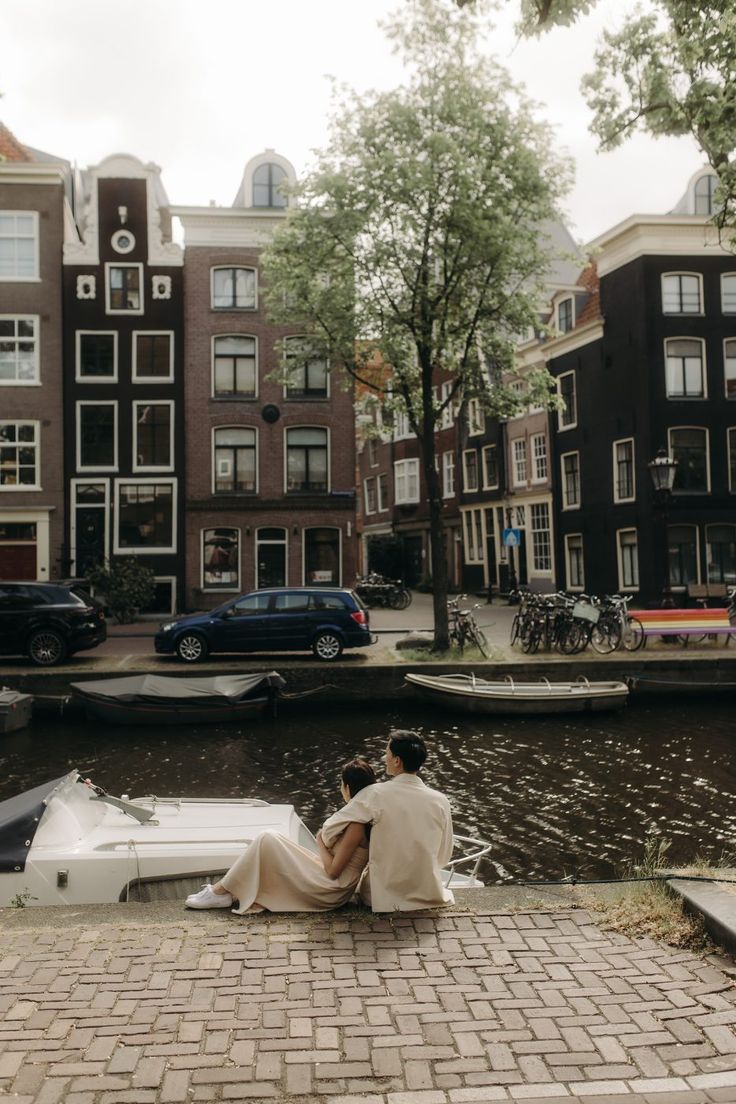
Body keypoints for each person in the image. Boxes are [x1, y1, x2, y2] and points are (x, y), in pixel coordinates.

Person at [184, 758, 376, 913]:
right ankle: (225, 890)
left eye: (342, 784)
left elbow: (334, 871)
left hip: (331, 889)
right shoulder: (358, 817)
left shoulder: (356, 825)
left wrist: (320, 842)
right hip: (329, 880)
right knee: (270, 838)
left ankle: (220, 892)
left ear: (348, 788)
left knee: (268, 838)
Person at [319, 731, 454, 912]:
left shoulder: (376, 793)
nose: (384, 757)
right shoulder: (440, 800)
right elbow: (443, 856)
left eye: (387, 753)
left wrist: (325, 840)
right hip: (428, 893)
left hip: (382, 896)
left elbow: (329, 829)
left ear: (397, 760)